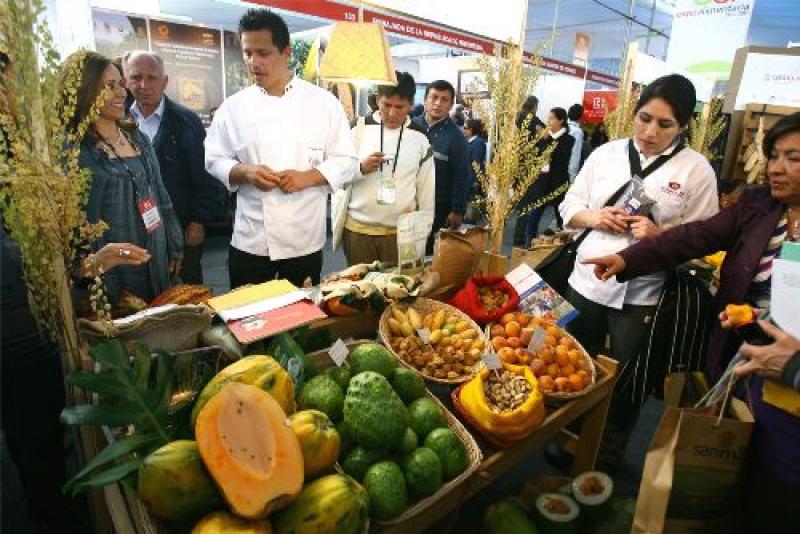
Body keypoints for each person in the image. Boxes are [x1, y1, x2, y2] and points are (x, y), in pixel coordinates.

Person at [582, 112, 800, 533]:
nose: (776, 167)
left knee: (775, 498)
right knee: (717, 475)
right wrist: (627, 259)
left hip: (790, 400)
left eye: (794, 158)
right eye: (774, 155)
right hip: (738, 370)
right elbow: (692, 238)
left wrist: (792, 368)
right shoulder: (760, 207)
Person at [556, 74, 718, 469]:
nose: (650, 131)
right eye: (644, 118)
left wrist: (661, 236)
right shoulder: (606, 154)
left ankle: (607, 450)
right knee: (572, 364)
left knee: (629, 379)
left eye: (665, 125)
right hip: (586, 283)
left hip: (642, 296)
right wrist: (593, 216)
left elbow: (705, 241)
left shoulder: (697, 171)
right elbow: (569, 204)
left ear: (684, 126)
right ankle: (569, 437)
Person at [205, 8, 357, 288]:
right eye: (248, 53)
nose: (253, 62)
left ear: (286, 53)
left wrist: (306, 178)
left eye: (263, 53)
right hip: (250, 237)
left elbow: (347, 160)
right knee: (249, 321)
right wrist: (245, 172)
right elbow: (213, 158)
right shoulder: (233, 107)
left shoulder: (323, 103)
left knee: (301, 321)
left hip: (303, 238)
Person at [65, 51, 183, 304]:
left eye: (120, 83)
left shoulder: (137, 138)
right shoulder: (74, 151)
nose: (121, 92)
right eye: (109, 86)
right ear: (84, 90)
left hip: (155, 255)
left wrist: (174, 244)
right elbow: (68, 228)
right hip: (111, 269)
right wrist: (84, 266)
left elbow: (161, 196)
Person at [123, 50, 225, 285]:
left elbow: (206, 177)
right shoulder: (117, 121)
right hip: (134, 230)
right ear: (126, 81)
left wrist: (198, 222)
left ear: (165, 81)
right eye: (136, 77)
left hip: (180, 228)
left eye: (152, 78)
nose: (143, 84)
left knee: (185, 292)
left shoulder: (186, 122)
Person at [332, 71, 434, 265]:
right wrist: (360, 168)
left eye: (400, 107)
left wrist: (423, 232)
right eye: (387, 105)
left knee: (399, 290)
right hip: (358, 230)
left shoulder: (420, 137)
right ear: (378, 99)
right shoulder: (357, 128)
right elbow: (336, 173)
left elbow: (427, 190)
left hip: (401, 233)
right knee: (359, 291)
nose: (392, 113)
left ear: (411, 104)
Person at [413, 80, 470, 253]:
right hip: (407, 201)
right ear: (425, 99)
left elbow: (461, 175)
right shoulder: (410, 126)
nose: (438, 103)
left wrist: (457, 210)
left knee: (427, 253)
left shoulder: (456, 137)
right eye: (434, 97)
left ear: (451, 104)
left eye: (444, 99)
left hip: (437, 206)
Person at [524, 107, 575, 244]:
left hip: (558, 184)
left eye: (552, 118)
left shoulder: (568, 140)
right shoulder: (545, 137)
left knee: (562, 218)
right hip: (542, 183)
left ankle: (564, 247)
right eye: (549, 118)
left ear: (561, 120)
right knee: (534, 216)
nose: (548, 121)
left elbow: (559, 157)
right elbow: (537, 156)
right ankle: (530, 244)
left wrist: (547, 140)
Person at [513, 95, 547, 245]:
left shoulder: (515, 119)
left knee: (517, 202)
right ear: (534, 106)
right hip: (530, 166)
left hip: (515, 165)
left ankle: (504, 233)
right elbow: (545, 139)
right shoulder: (535, 121)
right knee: (526, 205)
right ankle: (519, 237)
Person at [464, 118, 487, 195]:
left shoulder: (478, 144)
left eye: (465, 128)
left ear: (471, 130)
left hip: (471, 184)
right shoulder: (469, 141)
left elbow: (477, 164)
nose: (464, 130)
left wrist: (475, 182)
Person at [567, 103, 585, 181]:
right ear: (580, 117)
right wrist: (573, 174)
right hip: (570, 170)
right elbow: (575, 154)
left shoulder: (564, 127)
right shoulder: (578, 132)